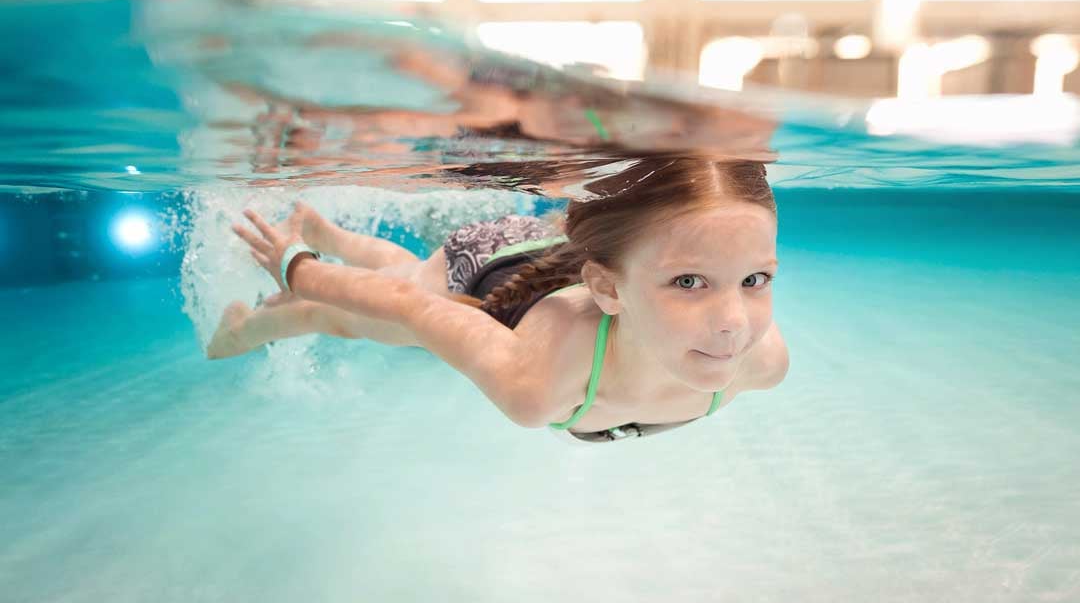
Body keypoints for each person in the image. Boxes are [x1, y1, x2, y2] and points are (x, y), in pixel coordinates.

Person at [208, 156, 789, 444]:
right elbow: (409, 309)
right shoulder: (537, 381)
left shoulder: (760, 361)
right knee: (372, 322)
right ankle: (250, 326)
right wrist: (296, 268)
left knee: (411, 279)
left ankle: (331, 234)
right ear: (610, 290)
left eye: (755, 280)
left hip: (572, 261)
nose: (733, 326)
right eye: (689, 282)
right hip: (494, 260)